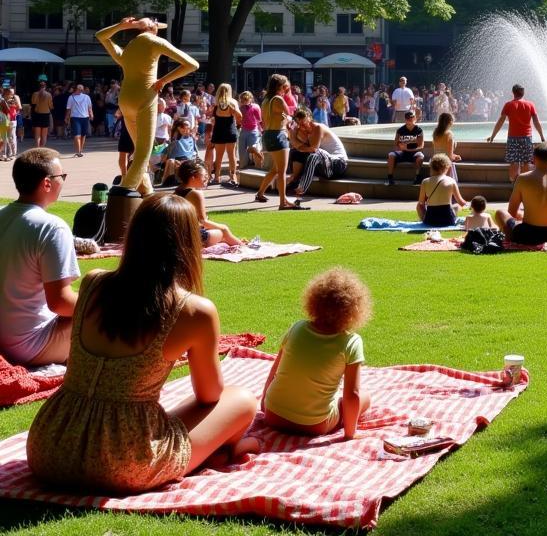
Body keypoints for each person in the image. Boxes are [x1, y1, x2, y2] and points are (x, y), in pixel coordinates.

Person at [26, 195, 259, 493]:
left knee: (142, 410)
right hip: (124, 463)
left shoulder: (93, 282)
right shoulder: (193, 311)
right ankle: (222, 450)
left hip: (50, 446)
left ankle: (215, 450)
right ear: (189, 243)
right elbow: (209, 395)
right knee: (241, 400)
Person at [261, 268, 372, 438]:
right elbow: (352, 395)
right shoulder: (351, 342)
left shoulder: (296, 328)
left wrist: (264, 403)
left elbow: (273, 372)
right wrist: (350, 435)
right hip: (314, 425)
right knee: (365, 398)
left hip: (273, 415)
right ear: (354, 310)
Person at [96, 17, 200, 195]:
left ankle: (147, 193)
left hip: (125, 100)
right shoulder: (155, 41)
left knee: (139, 150)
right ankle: (124, 190)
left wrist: (121, 26)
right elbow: (192, 64)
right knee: (144, 152)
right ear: (154, 28)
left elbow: (101, 36)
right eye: (157, 26)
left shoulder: (128, 50)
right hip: (145, 98)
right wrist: (164, 80)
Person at [0, 149, 79, 366]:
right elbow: (60, 302)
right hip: (28, 346)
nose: (63, 181)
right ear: (47, 183)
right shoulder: (52, 227)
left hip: (5, 339)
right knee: (111, 312)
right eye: (61, 177)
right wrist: (104, 301)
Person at [255, 75, 304, 209]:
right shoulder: (278, 99)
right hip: (278, 135)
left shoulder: (266, 100)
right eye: (285, 86)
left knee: (276, 169)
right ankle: (283, 202)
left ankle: (260, 193)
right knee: (282, 171)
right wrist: (288, 94)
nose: (287, 88)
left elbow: (282, 116)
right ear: (280, 87)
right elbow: (290, 113)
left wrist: (286, 119)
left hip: (268, 134)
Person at [173, 162, 244, 248]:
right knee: (223, 231)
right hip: (190, 239)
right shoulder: (195, 194)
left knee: (220, 233)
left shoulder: (176, 191)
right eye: (204, 176)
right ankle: (242, 246)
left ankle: (236, 241)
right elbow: (203, 221)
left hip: (177, 236)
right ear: (193, 177)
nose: (207, 178)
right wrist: (224, 229)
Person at [487, 83, 545, 183]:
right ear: (523, 93)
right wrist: (542, 137)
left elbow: (500, 122)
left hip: (513, 138)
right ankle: (525, 183)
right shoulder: (530, 105)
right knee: (526, 162)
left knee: (514, 162)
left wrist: (492, 136)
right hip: (526, 138)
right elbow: (536, 122)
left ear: (513, 93)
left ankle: (514, 184)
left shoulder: (508, 105)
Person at [286, 107, 349, 198]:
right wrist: (292, 133)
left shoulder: (318, 128)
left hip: (338, 163)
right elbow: (298, 147)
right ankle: (294, 180)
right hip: (325, 164)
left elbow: (312, 149)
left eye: (304, 123)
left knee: (314, 154)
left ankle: (302, 188)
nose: (301, 126)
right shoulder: (303, 130)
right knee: (296, 152)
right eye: (299, 124)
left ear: (310, 118)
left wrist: (293, 136)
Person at [416, 153, 467, 226]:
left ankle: (423, 221)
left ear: (431, 167)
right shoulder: (451, 181)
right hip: (448, 220)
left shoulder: (425, 181)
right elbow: (461, 202)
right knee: (456, 206)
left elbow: (421, 202)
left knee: (418, 205)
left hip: (430, 220)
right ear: (446, 167)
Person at [210, 83, 242, 188]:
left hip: (218, 130)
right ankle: (233, 176)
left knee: (218, 156)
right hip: (230, 130)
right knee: (232, 155)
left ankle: (217, 177)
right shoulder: (233, 102)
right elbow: (239, 116)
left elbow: (211, 116)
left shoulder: (216, 103)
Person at [386, 110, 425, 185]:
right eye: (408, 118)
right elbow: (396, 144)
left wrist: (409, 149)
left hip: (414, 153)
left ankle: (417, 177)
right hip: (402, 152)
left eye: (412, 118)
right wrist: (401, 148)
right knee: (391, 155)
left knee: (421, 156)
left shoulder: (419, 130)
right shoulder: (400, 130)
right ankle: (390, 178)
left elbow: (421, 146)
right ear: (405, 120)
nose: (410, 120)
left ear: (415, 118)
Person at [161, 118, 199, 184]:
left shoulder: (191, 139)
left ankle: (170, 180)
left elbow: (195, 153)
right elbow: (166, 157)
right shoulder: (174, 142)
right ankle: (169, 180)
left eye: (188, 128)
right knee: (171, 162)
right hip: (176, 162)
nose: (187, 130)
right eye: (184, 128)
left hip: (188, 161)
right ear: (179, 128)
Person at [64, 83, 93, 157]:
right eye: (79, 88)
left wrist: (91, 114)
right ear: (76, 89)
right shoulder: (71, 97)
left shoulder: (87, 97)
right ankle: (78, 152)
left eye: (82, 88)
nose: (81, 89)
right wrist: (67, 117)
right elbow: (68, 109)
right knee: (77, 135)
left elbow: (89, 107)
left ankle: (80, 150)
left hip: (85, 118)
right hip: (75, 118)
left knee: (83, 135)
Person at [432, 112, 462, 183]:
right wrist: (456, 157)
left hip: (436, 161)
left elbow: (439, 150)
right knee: (447, 185)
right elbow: (449, 156)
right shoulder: (449, 134)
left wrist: (453, 155)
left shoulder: (435, 133)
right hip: (445, 164)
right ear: (450, 122)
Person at [238, 90, 263, 170]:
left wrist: (261, 129)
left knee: (254, 148)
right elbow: (239, 119)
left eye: (245, 99)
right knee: (242, 150)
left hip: (253, 130)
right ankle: (243, 167)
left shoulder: (255, 107)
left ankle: (258, 166)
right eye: (242, 99)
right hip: (243, 130)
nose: (243, 101)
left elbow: (259, 119)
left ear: (250, 99)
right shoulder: (241, 107)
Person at [30, 79, 53, 147]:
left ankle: (37, 148)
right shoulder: (49, 95)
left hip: (37, 114)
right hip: (45, 114)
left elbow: (33, 103)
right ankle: (42, 148)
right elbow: (51, 106)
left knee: (37, 135)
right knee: (44, 135)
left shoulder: (35, 94)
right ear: (45, 87)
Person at [1, 85, 21, 160]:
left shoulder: (15, 98)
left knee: (11, 137)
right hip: (3, 120)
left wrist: (14, 109)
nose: (12, 95)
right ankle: (3, 154)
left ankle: (12, 154)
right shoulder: (2, 100)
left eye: (12, 93)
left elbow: (19, 108)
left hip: (11, 120)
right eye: (10, 93)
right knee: (4, 138)